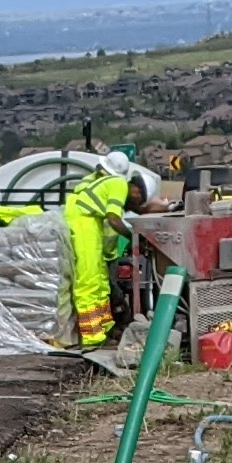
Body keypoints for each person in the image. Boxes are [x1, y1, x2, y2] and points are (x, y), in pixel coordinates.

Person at [61, 150, 151, 356]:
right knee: (89, 281)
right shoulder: (118, 185)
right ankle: (92, 337)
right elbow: (113, 218)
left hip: (89, 225)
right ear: (134, 189)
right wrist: (132, 236)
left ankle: (102, 330)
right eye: (139, 197)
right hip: (84, 225)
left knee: (100, 282)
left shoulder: (98, 182)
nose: (138, 201)